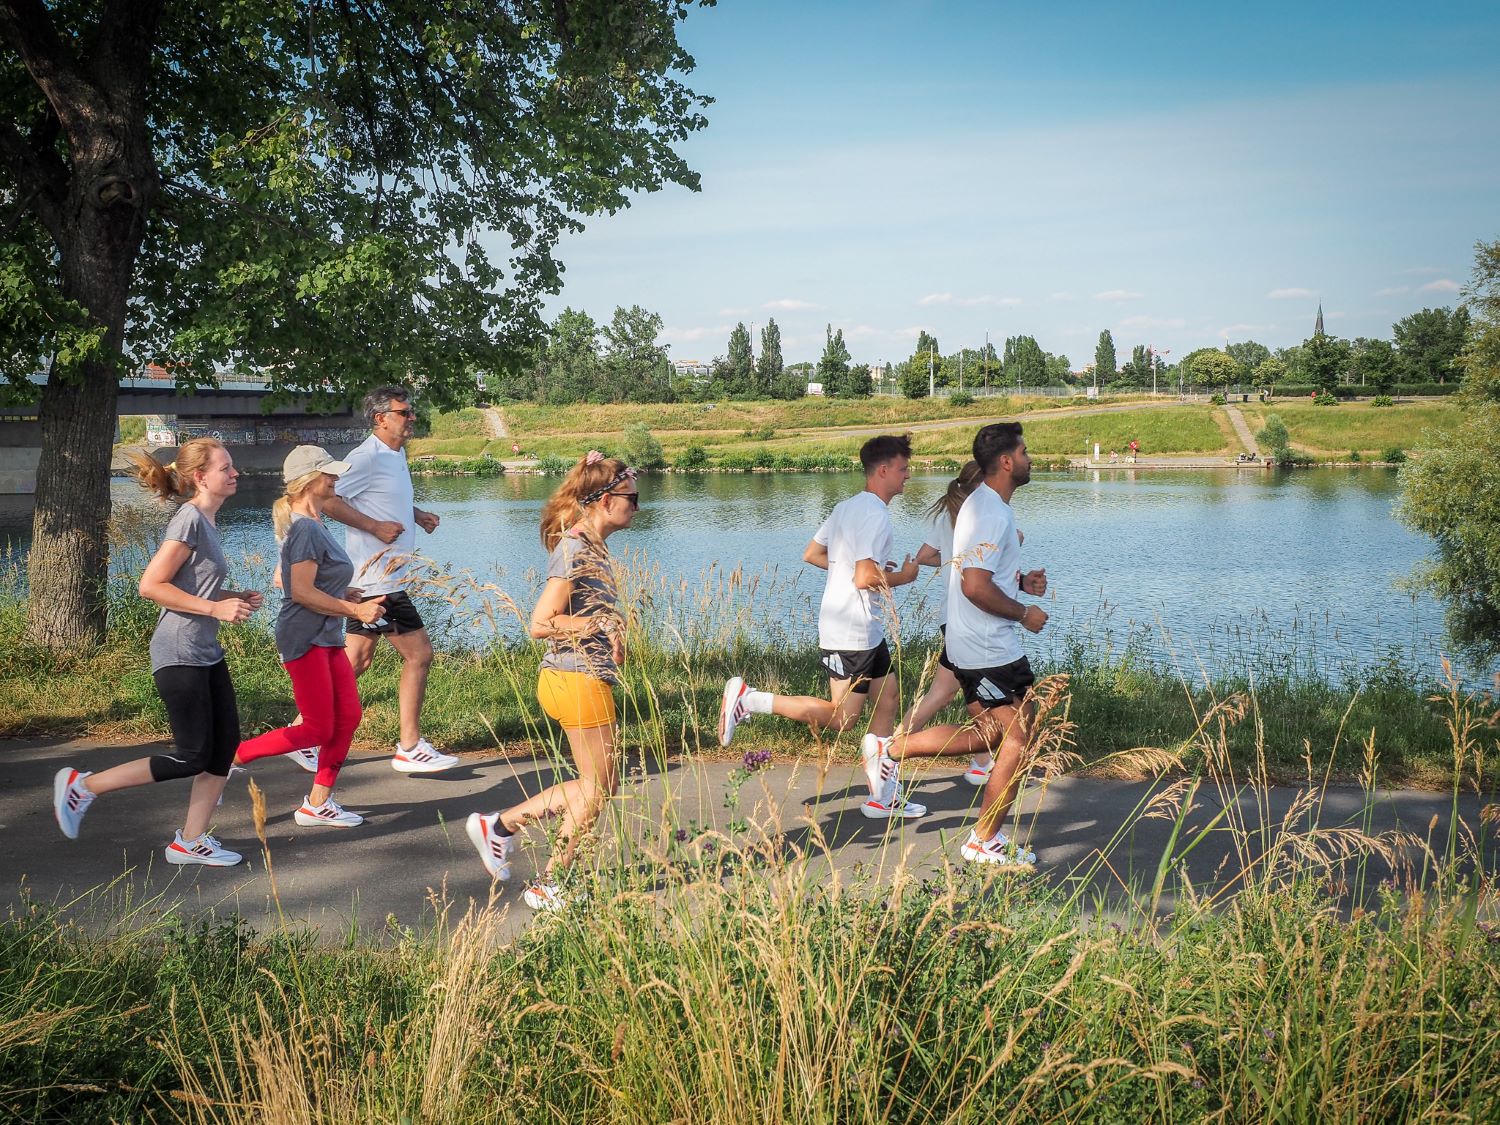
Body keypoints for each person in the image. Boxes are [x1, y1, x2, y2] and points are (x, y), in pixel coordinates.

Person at [52, 439, 262, 865]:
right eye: (227, 467)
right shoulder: (189, 519)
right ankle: (82, 786)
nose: (235, 472)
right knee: (191, 756)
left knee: (223, 749)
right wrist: (214, 607)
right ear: (201, 477)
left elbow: (186, 587)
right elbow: (151, 585)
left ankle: (189, 841)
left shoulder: (206, 519)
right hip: (179, 651)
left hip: (204, 650)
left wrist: (230, 595)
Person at [719, 434, 927, 820]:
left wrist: (865, 571)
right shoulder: (876, 515)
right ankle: (749, 699)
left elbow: (813, 554)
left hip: (863, 627)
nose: (907, 476)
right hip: (853, 630)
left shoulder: (847, 507)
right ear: (882, 471)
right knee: (842, 718)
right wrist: (905, 576)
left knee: (888, 700)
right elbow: (865, 578)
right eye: (902, 469)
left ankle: (883, 797)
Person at [465, 451, 639, 910]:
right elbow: (541, 622)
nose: (637, 507)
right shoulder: (575, 548)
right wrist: (595, 627)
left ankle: (499, 828)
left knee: (595, 785)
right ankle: (545, 878)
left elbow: (584, 611)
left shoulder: (590, 546)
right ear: (603, 501)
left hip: (578, 678)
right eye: (631, 498)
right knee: (598, 789)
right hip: (574, 679)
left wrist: (611, 629)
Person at [880, 423, 1049, 869]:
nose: (1031, 459)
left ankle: (894, 749)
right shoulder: (990, 512)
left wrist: (1021, 583)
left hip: (975, 641)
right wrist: (1023, 614)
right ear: (1008, 462)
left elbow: (978, 573)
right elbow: (975, 586)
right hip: (989, 645)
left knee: (991, 735)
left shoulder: (983, 507)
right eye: (1025, 452)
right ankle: (984, 837)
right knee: (1019, 737)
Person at [283, 385, 458, 775]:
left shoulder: (395, 455)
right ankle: (410, 747)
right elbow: (326, 498)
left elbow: (380, 498)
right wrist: (372, 526)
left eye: (411, 412)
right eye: (404, 412)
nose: (411, 418)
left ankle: (300, 736)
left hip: (379, 579)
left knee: (356, 660)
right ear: (381, 418)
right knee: (419, 654)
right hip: (378, 581)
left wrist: (416, 515)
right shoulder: (366, 457)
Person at [234, 447, 386, 826]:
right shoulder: (303, 528)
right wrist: (355, 610)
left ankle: (317, 802)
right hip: (304, 636)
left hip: (326, 634)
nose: (335, 480)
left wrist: (342, 594)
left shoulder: (315, 524)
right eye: (329, 475)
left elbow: (306, 582)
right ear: (308, 482)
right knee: (316, 728)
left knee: (348, 717)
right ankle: (232, 757)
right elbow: (298, 591)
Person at [901, 459, 992, 787]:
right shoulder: (983, 517)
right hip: (969, 618)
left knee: (946, 691)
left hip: (951, 618)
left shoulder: (947, 516)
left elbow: (924, 556)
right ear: (982, 485)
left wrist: (952, 558)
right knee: (959, 693)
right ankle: (891, 749)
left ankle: (983, 761)